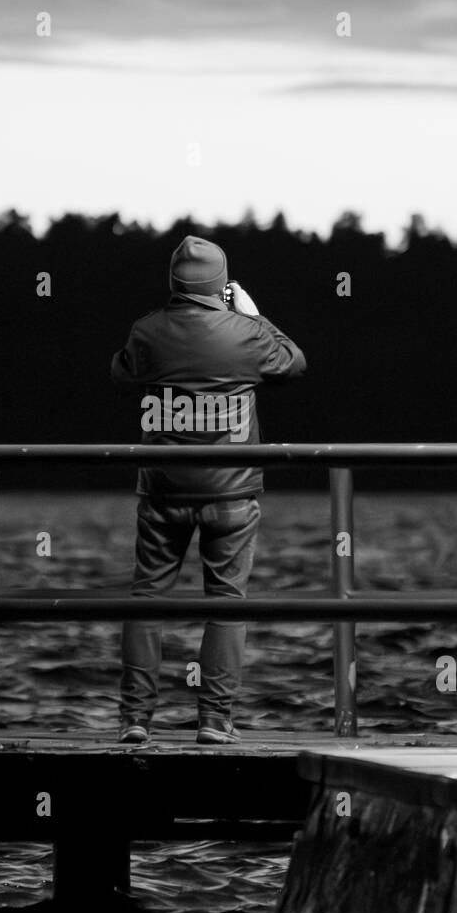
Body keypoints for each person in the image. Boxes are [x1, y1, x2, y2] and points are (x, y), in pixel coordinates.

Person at [110, 235, 306, 745]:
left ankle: (135, 718)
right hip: (232, 495)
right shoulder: (246, 333)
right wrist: (255, 316)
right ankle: (215, 721)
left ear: (173, 282)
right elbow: (294, 363)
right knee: (227, 603)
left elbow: (122, 369)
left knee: (146, 601)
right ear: (222, 285)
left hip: (163, 493)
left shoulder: (147, 331)